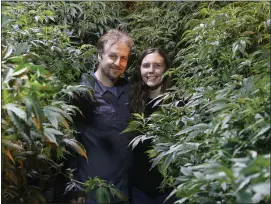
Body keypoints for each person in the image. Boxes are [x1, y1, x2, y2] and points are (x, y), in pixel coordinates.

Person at [67, 29, 134, 204]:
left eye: (124, 58)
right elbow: (70, 142)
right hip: (93, 192)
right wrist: (75, 187)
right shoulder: (83, 92)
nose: (118, 63)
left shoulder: (129, 91)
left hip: (124, 189)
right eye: (113, 56)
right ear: (100, 56)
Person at [131, 48, 174, 204]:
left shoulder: (178, 103)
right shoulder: (133, 101)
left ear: (166, 69)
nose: (151, 70)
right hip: (139, 189)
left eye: (157, 66)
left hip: (170, 188)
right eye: (146, 65)